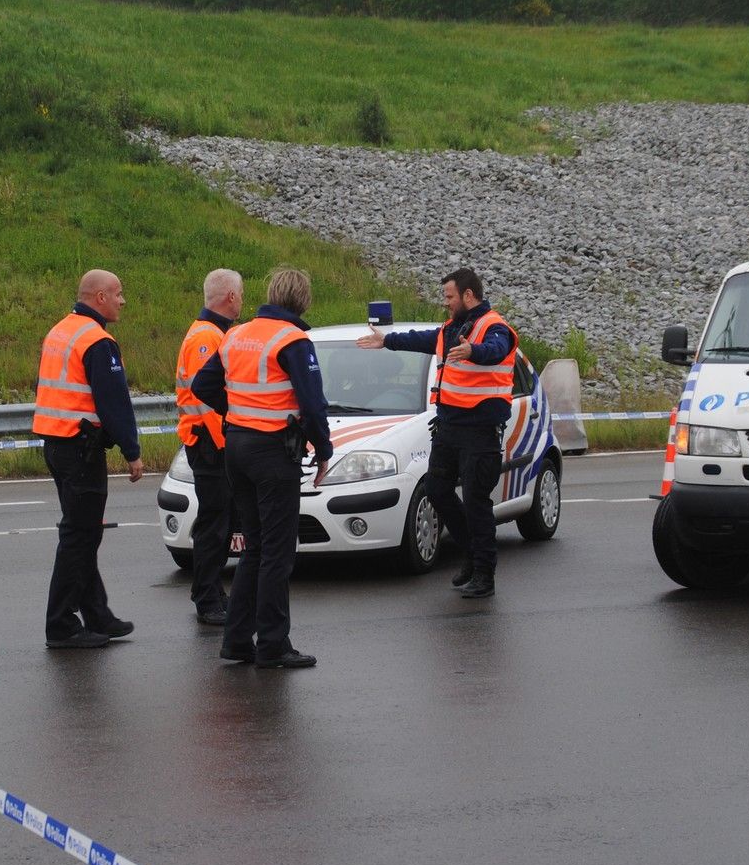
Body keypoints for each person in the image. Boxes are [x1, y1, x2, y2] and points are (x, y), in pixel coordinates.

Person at [192, 268, 332, 669]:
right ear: (302, 301)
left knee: (254, 547)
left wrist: (238, 413)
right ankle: (273, 642)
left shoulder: (237, 334)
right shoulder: (293, 340)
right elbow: (313, 404)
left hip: (236, 446)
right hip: (272, 452)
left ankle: (237, 640)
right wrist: (323, 450)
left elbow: (203, 387)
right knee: (277, 551)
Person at [357, 267, 515, 599]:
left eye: (449, 297)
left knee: (475, 501)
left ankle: (484, 573)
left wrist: (474, 351)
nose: (445, 303)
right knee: (437, 490)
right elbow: (420, 339)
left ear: (468, 296)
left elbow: (498, 349)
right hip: (449, 428)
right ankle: (471, 554)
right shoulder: (450, 329)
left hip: (480, 431)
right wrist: (386, 341)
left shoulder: (493, 326)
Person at [33, 269, 145, 649]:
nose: (122, 300)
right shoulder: (97, 340)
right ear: (99, 297)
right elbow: (114, 402)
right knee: (80, 537)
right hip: (80, 449)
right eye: (118, 293)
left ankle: (97, 614)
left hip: (56, 443)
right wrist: (132, 452)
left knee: (83, 532)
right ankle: (61, 625)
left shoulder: (61, 329)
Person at [173, 268, 244, 626]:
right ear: (231, 297)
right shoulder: (207, 338)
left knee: (220, 522)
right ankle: (207, 598)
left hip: (210, 442)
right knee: (214, 524)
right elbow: (208, 400)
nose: (242, 302)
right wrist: (227, 442)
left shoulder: (215, 333)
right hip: (209, 443)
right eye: (241, 295)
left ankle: (213, 591)